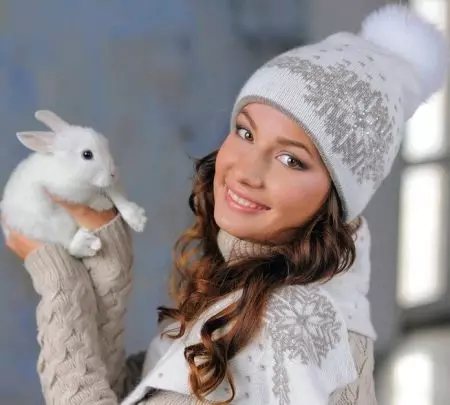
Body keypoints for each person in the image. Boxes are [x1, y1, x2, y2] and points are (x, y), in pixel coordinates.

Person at [4, 4, 447, 405]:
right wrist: (110, 264)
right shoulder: (274, 292)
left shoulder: (287, 333)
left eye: (291, 160)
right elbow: (137, 394)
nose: (245, 171)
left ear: (337, 196)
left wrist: (59, 278)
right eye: (246, 131)